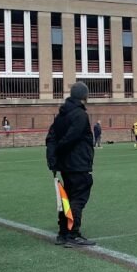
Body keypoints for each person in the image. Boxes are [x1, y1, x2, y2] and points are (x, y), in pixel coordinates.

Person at [45, 82, 95, 247]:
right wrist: (58, 152)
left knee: (66, 198)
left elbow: (51, 138)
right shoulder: (80, 115)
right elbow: (71, 137)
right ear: (84, 96)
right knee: (78, 198)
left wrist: (53, 158)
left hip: (66, 164)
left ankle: (63, 232)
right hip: (78, 163)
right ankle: (73, 233)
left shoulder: (60, 116)